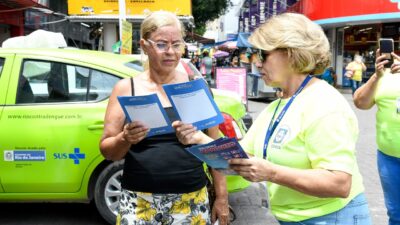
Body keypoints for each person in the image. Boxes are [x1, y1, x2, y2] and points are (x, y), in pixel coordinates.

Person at [173, 13, 372, 225]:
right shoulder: (279, 104)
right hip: (294, 218)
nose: (257, 63)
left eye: (263, 54)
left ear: (291, 54)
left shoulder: (324, 103)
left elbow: (338, 183)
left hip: (331, 218)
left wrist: (271, 173)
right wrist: (198, 138)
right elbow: (243, 158)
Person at [99, 11, 229, 225]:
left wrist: (222, 199)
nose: (170, 52)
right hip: (139, 202)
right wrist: (125, 138)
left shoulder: (195, 86)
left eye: (177, 44)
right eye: (161, 44)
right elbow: (108, 151)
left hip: (191, 200)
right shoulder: (126, 89)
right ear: (144, 45)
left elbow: (215, 148)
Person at [353, 49, 400, 225]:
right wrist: (376, 75)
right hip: (389, 158)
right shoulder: (384, 75)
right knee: (396, 213)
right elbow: (360, 102)